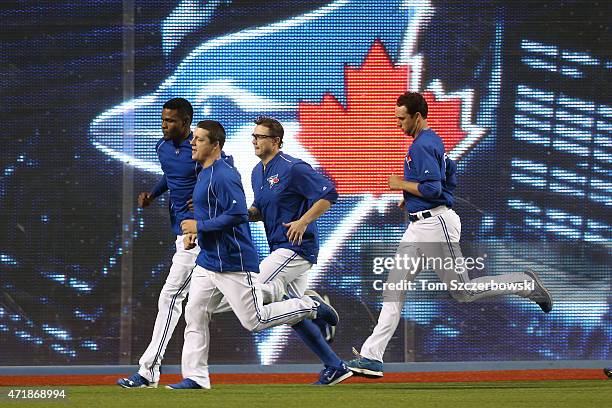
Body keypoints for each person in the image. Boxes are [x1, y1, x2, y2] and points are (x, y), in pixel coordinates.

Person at [347, 92, 553, 378]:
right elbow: (450, 176)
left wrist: (401, 185)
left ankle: (525, 283)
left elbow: (432, 189)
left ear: (417, 117)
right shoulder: (431, 142)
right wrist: (412, 198)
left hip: (435, 225)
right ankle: (372, 357)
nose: (398, 123)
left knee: (463, 291)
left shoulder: (422, 145)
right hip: (419, 225)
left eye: (401, 118)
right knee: (393, 288)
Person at [167, 120, 338, 389]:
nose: (255, 141)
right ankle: (334, 365)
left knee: (255, 302)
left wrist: (303, 221)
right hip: (277, 247)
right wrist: (242, 214)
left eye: (261, 136)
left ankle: (312, 305)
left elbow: (329, 193)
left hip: (296, 247)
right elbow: (256, 210)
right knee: (289, 314)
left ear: (277, 141)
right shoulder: (258, 172)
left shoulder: (294, 167)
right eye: (253, 136)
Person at [117, 98, 199, 388]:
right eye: (163, 119)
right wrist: (152, 194)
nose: (165, 125)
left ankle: (148, 371)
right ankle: (303, 306)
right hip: (183, 233)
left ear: (186, 122)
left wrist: (203, 201)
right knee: (243, 307)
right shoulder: (162, 147)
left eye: (172, 120)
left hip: (200, 235)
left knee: (171, 297)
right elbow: (172, 175)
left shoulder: (200, 146)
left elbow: (220, 178)